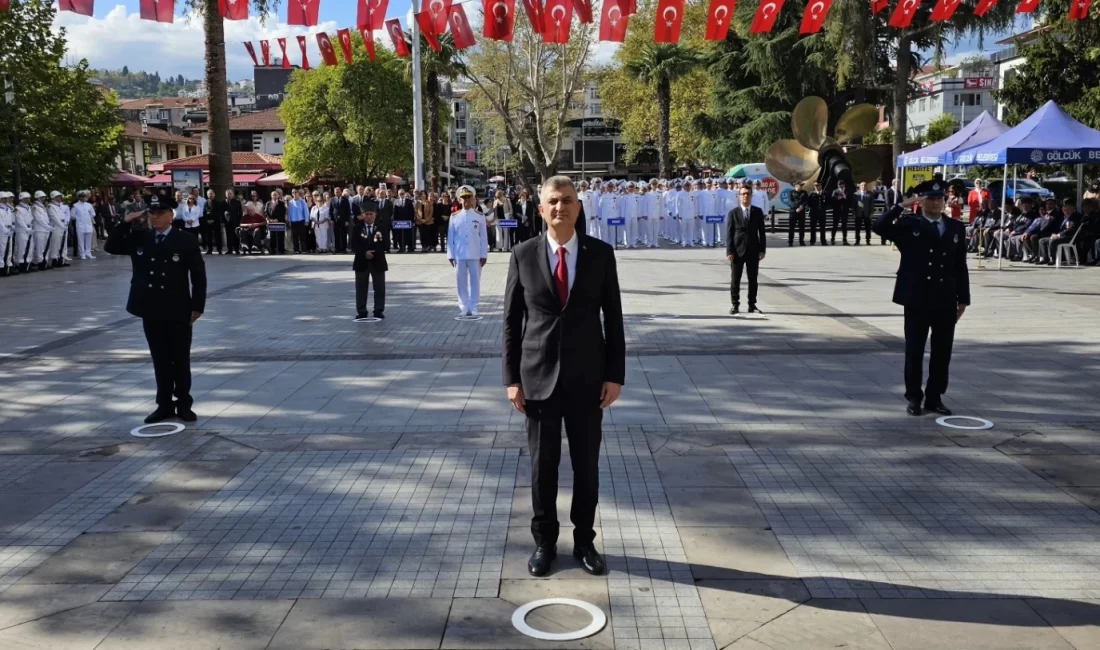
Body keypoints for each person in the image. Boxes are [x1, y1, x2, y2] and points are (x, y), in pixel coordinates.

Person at [503, 175, 625, 578]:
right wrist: (511, 378)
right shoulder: (522, 254)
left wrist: (615, 375)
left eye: (568, 201)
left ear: (578, 206)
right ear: (541, 209)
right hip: (537, 380)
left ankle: (585, 541)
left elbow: (615, 320)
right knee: (543, 467)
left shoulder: (601, 255)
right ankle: (544, 543)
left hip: (589, 380)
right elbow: (511, 322)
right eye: (553, 201)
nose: (561, 208)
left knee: (586, 466)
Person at [104, 193, 206, 424]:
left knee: (180, 358)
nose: (155, 217)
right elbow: (111, 246)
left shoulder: (185, 240)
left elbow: (198, 276)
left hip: (178, 307)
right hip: (150, 307)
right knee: (159, 358)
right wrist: (125, 221)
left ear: (171, 215)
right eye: (152, 213)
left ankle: (183, 404)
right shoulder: (140, 237)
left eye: (160, 213)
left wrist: (197, 306)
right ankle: (164, 405)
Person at [872, 180, 969, 417]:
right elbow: (878, 226)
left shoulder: (955, 227)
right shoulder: (908, 224)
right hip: (917, 297)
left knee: (942, 351)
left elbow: (960, 265)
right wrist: (899, 206)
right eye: (930, 198)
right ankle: (914, 396)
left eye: (939, 199)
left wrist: (963, 299)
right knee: (914, 350)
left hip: (945, 297)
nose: (936, 203)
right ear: (920, 200)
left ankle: (934, 397)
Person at [448, 186, 489, 317]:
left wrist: (484, 254)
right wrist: (450, 254)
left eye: (468, 198)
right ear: (459, 200)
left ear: (473, 199)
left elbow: (483, 237)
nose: (466, 200)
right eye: (463, 198)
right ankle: (463, 306)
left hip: (475, 253)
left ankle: (474, 305)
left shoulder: (479, 216)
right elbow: (450, 237)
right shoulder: (454, 217)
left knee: (475, 280)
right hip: (459, 254)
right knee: (460, 280)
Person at [726, 185, 767, 315]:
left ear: (751, 196)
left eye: (748, 194)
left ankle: (752, 304)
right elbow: (729, 233)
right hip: (737, 251)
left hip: (753, 250)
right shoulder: (733, 213)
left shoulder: (757, 211)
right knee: (735, 279)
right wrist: (729, 251)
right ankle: (735, 304)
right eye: (743, 194)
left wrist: (762, 249)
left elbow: (762, 232)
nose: (745, 196)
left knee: (753, 279)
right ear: (739, 196)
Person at [352, 198, 387, 319]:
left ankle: (378, 310)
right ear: (362, 215)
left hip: (378, 261)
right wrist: (364, 252)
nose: (369, 217)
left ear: (375, 215)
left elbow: (386, 244)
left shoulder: (381, 227)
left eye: (371, 214)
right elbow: (353, 244)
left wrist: (375, 252)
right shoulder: (357, 228)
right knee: (361, 288)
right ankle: (361, 311)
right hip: (361, 261)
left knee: (379, 288)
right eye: (366, 214)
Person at [1037, 198, 1081, 265]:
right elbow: (1058, 228)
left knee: (1052, 241)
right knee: (1042, 240)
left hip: (1069, 236)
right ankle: (1045, 258)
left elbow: (1071, 229)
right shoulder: (1063, 218)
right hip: (1060, 235)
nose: (1066, 212)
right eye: (1064, 210)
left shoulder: (1075, 217)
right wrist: (1054, 234)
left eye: (1068, 210)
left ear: (1072, 209)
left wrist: (1058, 235)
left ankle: (1053, 258)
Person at [72, 191, 97, 260]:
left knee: (88, 240)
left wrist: (88, 216)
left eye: (84, 196)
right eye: (81, 196)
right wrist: (79, 217)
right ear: (79, 197)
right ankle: (82, 254)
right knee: (81, 240)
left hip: (88, 224)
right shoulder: (75, 205)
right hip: (80, 225)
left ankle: (88, 253)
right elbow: (72, 215)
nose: (83, 198)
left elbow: (93, 214)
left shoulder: (89, 205)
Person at [13, 193, 34, 273]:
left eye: (28, 198)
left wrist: (31, 227)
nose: (28, 199)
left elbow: (32, 218)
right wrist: (26, 228)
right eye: (26, 198)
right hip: (22, 230)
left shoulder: (29, 207)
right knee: (22, 248)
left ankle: (27, 264)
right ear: (21, 199)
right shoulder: (18, 208)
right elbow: (19, 220)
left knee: (29, 247)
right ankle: (22, 265)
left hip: (29, 228)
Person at [266, 190, 287, 254]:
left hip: (280, 222)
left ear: (278, 196)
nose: (274, 196)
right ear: (271, 196)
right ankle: (273, 250)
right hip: (271, 222)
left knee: (280, 236)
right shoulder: (268, 203)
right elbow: (266, 212)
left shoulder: (282, 203)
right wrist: (270, 219)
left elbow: (283, 212)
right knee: (272, 236)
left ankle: (281, 250)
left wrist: (278, 219)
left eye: (275, 195)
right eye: (273, 195)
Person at [223, 189, 243, 254]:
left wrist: (240, 221)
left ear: (233, 194)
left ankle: (237, 249)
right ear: (226, 195)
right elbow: (222, 212)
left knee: (236, 235)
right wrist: (223, 221)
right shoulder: (224, 202)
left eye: (230, 193)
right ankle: (229, 249)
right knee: (228, 236)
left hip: (235, 221)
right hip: (227, 221)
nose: (229, 195)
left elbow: (240, 213)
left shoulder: (237, 202)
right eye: (228, 194)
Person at [830, 180, 850, 245]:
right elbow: (832, 199)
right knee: (835, 225)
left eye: (841, 185)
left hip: (844, 210)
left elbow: (850, 199)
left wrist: (845, 197)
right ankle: (832, 239)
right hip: (837, 210)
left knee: (844, 225)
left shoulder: (847, 190)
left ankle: (845, 239)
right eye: (839, 185)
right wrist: (838, 198)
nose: (840, 186)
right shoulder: (835, 191)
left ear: (844, 185)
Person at [788, 181, 807, 246]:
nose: (801, 186)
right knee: (791, 227)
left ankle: (801, 241)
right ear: (796, 186)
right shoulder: (792, 192)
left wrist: (802, 206)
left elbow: (806, 201)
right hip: (793, 211)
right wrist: (797, 207)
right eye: (800, 185)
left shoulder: (804, 192)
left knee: (801, 227)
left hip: (801, 211)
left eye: (802, 185)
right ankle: (790, 241)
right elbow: (791, 201)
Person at [0, 192, 13, 276]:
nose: (6, 200)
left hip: (9, 230)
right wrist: (4, 229)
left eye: (6, 198)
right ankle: (1, 267)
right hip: (2, 231)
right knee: (2, 249)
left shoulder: (8, 208)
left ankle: (7, 267)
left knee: (9, 249)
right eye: (4, 198)